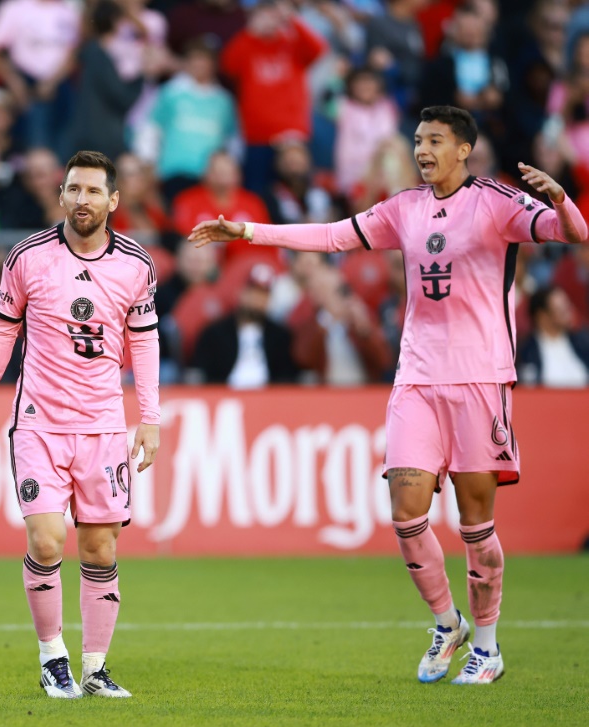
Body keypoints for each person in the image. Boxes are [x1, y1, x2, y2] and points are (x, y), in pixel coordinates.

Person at [189, 105, 589, 685]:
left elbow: (573, 234)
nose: (423, 150)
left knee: (476, 524)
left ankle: (488, 646)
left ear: (463, 150)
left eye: (435, 141)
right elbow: (332, 237)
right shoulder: (404, 208)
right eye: (419, 139)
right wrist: (248, 230)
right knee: (407, 511)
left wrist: (561, 199)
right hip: (416, 379)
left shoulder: (498, 202)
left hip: (480, 378)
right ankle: (445, 621)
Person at [0, 150, 159, 699]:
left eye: (93, 191)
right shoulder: (27, 257)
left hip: (102, 427)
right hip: (38, 423)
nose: (82, 199)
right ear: (61, 195)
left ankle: (95, 669)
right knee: (48, 540)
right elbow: (2, 329)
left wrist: (150, 419)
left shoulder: (137, 266)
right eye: (74, 189)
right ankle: (54, 657)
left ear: (113, 201)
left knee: (100, 549)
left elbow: (144, 344)